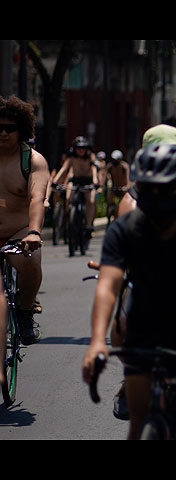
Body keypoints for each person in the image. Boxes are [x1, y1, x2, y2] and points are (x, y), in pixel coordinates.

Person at [82, 144, 176, 440]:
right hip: (145, 317)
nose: (158, 198)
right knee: (137, 425)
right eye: (150, 190)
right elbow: (108, 286)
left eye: (167, 190)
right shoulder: (125, 228)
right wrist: (97, 342)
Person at [0, 96, 49, 345]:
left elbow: (36, 199)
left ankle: (25, 311)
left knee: (32, 259)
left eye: (10, 128)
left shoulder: (32, 161)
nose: (4, 133)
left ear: (22, 129)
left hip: (18, 232)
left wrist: (34, 232)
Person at [53, 136, 98, 235]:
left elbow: (94, 169)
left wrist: (95, 181)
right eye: (78, 148)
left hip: (88, 182)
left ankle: (88, 225)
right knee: (68, 198)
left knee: (90, 201)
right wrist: (55, 180)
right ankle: (69, 221)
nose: (81, 150)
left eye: (83, 148)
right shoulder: (71, 158)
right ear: (75, 149)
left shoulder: (90, 156)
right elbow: (64, 169)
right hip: (75, 181)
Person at [105, 150, 130, 217]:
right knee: (109, 199)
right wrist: (108, 183)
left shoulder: (124, 166)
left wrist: (127, 186)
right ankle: (109, 215)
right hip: (114, 187)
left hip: (123, 188)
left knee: (126, 201)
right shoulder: (110, 166)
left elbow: (128, 177)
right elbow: (107, 176)